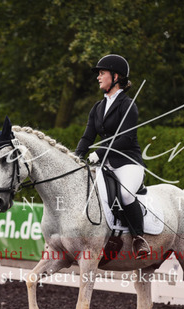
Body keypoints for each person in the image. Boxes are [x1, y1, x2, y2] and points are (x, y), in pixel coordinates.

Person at [75, 54, 151, 259]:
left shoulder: (128, 105)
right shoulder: (98, 107)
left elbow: (126, 138)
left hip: (128, 163)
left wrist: (99, 153)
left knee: (125, 195)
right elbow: (87, 136)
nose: (98, 77)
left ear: (115, 77)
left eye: (102, 73)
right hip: (105, 165)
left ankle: (138, 238)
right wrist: (75, 157)